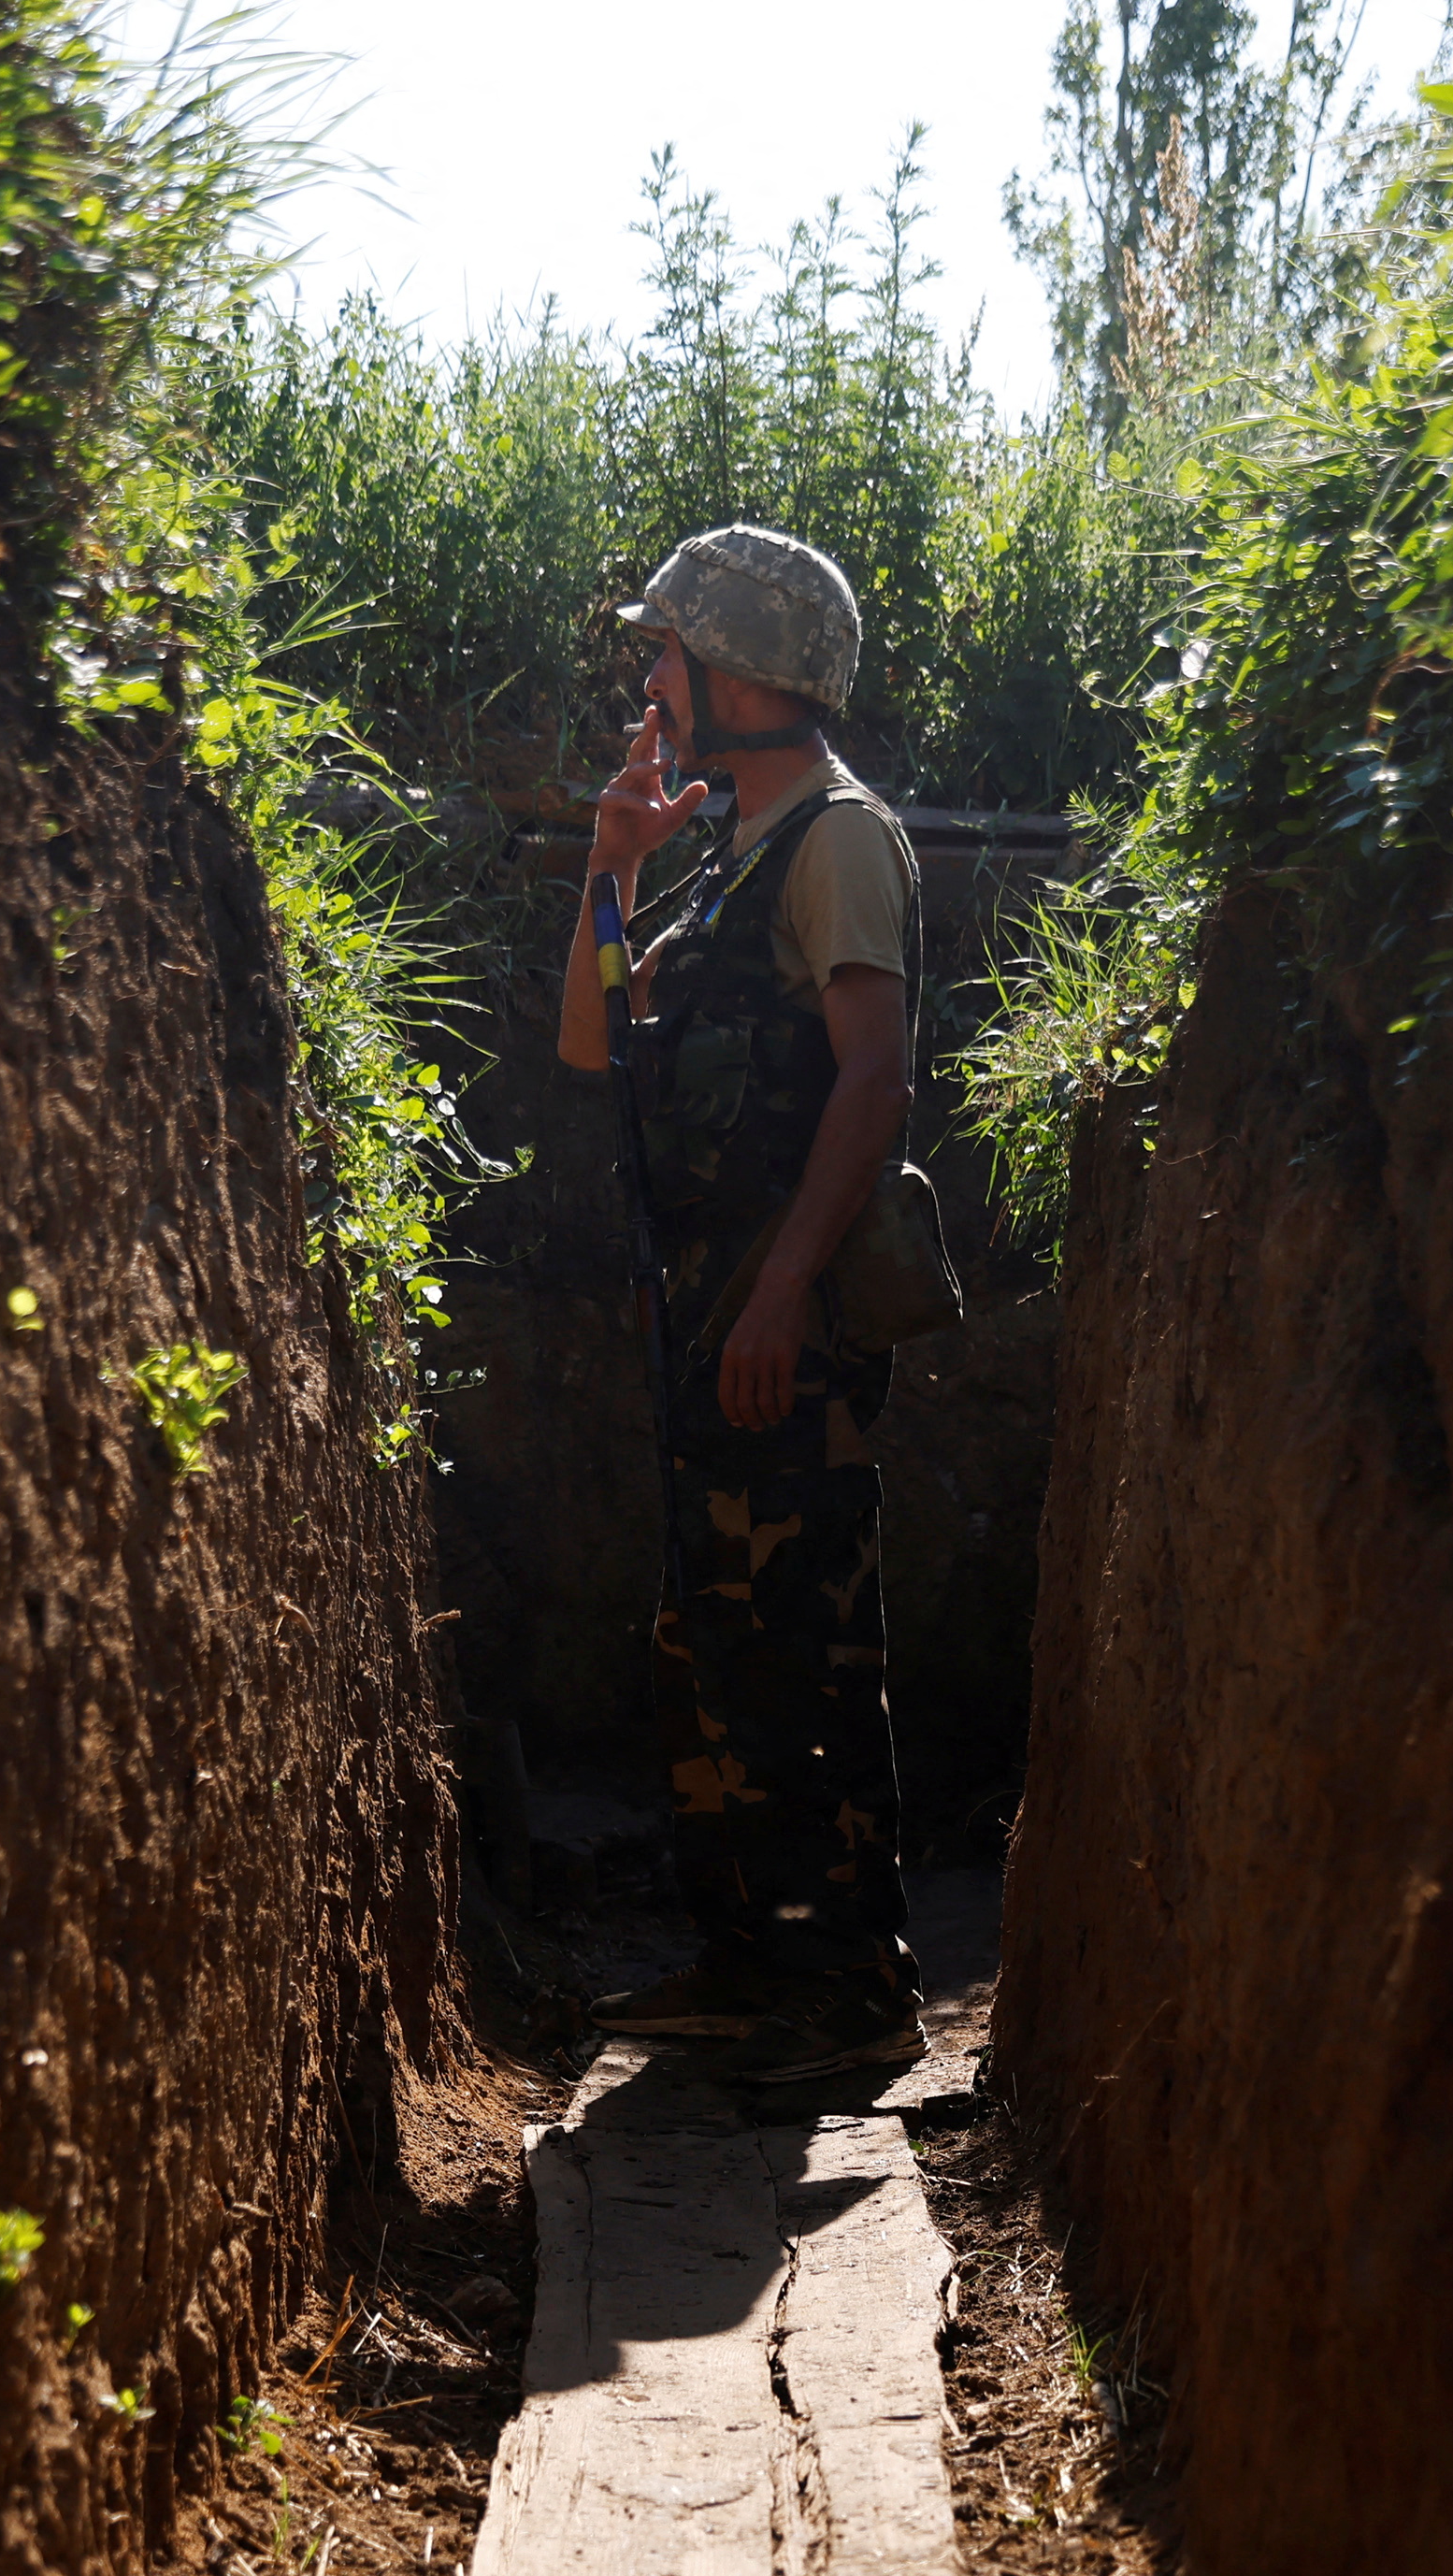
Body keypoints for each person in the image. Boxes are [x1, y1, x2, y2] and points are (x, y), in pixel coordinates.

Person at [556, 524, 930, 2090]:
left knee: (802, 1649)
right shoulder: (719, 849)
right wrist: (610, 862)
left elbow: (875, 1077)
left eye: (667, 654)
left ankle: (850, 1996)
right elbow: (588, 1045)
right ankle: (744, 1965)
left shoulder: (838, 841)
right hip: (713, 1337)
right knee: (712, 1641)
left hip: (787, 1335)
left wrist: (781, 1292)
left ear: (744, 674)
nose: (649, 681)